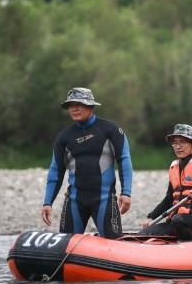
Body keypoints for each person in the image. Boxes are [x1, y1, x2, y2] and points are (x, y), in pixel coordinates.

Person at [41, 87, 133, 239]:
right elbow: (56, 170)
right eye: (71, 105)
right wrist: (47, 202)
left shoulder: (111, 130)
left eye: (79, 104)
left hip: (104, 199)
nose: (74, 109)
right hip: (75, 201)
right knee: (66, 248)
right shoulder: (64, 137)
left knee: (114, 245)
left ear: (91, 106)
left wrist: (126, 193)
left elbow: (124, 160)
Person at [140, 124, 192, 241]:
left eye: (182, 142)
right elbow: (168, 199)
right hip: (176, 221)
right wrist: (151, 217)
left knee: (178, 219)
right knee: (143, 233)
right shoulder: (174, 166)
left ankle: (189, 247)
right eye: (175, 142)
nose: (178, 146)